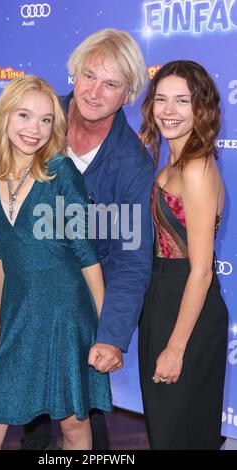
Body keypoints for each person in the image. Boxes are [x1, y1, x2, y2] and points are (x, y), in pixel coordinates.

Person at [0, 29, 154, 450]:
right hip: (23, 302)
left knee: (77, 419)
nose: (93, 92)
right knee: (25, 426)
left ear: (128, 93)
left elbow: (130, 259)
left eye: (110, 84)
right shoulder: (40, 109)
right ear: (74, 73)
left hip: (75, 307)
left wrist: (109, 334)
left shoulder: (132, 162)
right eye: (89, 76)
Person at [0, 74, 114, 450]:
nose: (35, 129)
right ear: (4, 117)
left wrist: (107, 332)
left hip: (64, 314)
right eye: (25, 116)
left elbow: (85, 253)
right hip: (16, 314)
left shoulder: (61, 173)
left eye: (46, 119)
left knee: (72, 425)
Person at [138, 60, 228, 450]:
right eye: (161, 100)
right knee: (165, 431)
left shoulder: (195, 167)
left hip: (188, 308)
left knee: (181, 434)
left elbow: (202, 272)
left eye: (182, 101)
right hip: (160, 301)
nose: (168, 111)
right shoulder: (173, 159)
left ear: (201, 108)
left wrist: (176, 349)